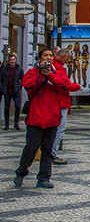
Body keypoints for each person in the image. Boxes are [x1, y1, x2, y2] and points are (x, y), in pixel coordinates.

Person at [13, 49, 71, 189]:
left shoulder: (57, 73)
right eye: (45, 55)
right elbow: (28, 86)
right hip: (36, 118)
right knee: (31, 148)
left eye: (50, 55)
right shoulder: (32, 72)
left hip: (52, 117)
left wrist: (50, 75)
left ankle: (44, 178)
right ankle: (21, 172)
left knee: (48, 150)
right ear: (40, 58)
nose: (48, 58)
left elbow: (65, 86)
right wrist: (40, 74)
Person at [50, 48, 82, 164]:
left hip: (58, 101)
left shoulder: (54, 67)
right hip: (60, 101)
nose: (67, 61)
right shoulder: (57, 68)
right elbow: (63, 84)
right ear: (62, 56)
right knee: (59, 129)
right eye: (67, 58)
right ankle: (52, 154)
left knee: (55, 129)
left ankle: (49, 153)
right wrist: (77, 87)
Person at [1, 54, 24, 130]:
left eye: (13, 60)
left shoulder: (19, 70)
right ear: (8, 61)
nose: (12, 61)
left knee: (17, 106)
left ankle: (16, 123)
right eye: (11, 60)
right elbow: (1, 80)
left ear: (16, 60)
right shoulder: (4, 70)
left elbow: (23, 79)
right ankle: (7, 124)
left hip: (16, 91)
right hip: (7, 91)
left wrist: (19, 86)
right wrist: (2, 88)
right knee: (7, 108)